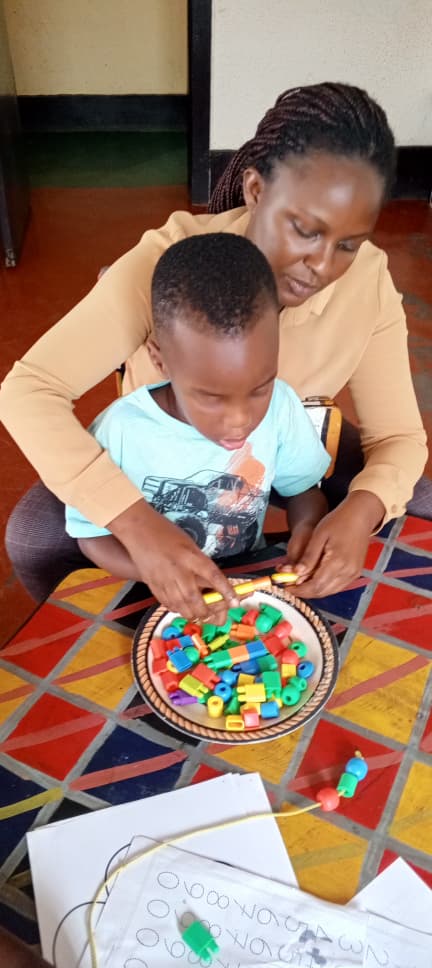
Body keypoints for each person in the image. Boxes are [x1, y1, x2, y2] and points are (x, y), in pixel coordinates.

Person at [1, 82, 427, 615]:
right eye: (303, 229)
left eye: (347, 243)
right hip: (168, 457)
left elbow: (401, 438)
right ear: (254, 190)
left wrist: (360, 511)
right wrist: (137, 524)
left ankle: (333, 639)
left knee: (417, 508)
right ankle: (116, 634)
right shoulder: (168, 263)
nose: (321, 266)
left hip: (286, 443)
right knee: (37, 535)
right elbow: (28, 390)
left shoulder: (366, 282)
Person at [65, 234, 330, 620]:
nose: (241, 421)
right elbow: (91, 535)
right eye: (211, 397)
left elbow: (303, 489)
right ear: (160, 360)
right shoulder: (121, 429)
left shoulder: (282, 405)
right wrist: (159, 574)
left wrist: (305, 528)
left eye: (260, 388)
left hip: (243, 591)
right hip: (149, 594)